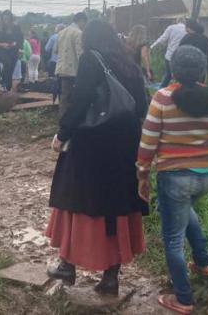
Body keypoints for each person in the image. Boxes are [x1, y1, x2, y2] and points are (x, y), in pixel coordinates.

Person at [137, 45, 208, 314]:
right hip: (207, 176)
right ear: (202, 70)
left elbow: (148, 143)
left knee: (172, 238)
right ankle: (203, 263)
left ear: (173, 69)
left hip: (174, 178)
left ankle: (183, 299)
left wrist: (142, 174)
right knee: (186, 214)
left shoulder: (162, 98)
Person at [45, 20, 149, 296]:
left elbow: (79, 102)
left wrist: (62, 134)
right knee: (115, 204)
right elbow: (142, 105)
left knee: (76, 198)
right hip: (125, 145)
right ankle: (111, 278)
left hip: (92, 144)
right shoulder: (129, 64)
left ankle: (67, 266)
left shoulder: (91, 60)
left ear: (90, 40)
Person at [54, 13, 88, 114]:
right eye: (85, 23)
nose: (84, 26)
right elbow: (80, 54)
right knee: (74, 96)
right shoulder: (78, 33)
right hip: (73, 70)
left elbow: (55, 50)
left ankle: (63, 118)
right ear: (81, 20)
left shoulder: (61, 32)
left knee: (64, 96)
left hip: (61, 69)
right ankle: (72, 118)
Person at [0, 10, 23, 92]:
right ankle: (2, 83)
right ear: (2, 18)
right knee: (7, 63)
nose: (6, 21)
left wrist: (14, 44)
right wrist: (2, 44)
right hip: (1, 50)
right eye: (4, 19)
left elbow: (20, 40)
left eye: (8, 19)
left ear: (11, 19)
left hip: (13, 51)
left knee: (11, 70)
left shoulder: (16, 27)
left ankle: (8, 89)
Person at [151, 18, 187, 88]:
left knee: (168, 75)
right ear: (185, 22)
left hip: (169, 56)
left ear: (177, 21)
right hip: (181, 56)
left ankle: (161, 90)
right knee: (180, 76)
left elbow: (162, 39)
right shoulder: (187, 30)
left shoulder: (171, 27)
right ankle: (178, 91)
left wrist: (152, 46)